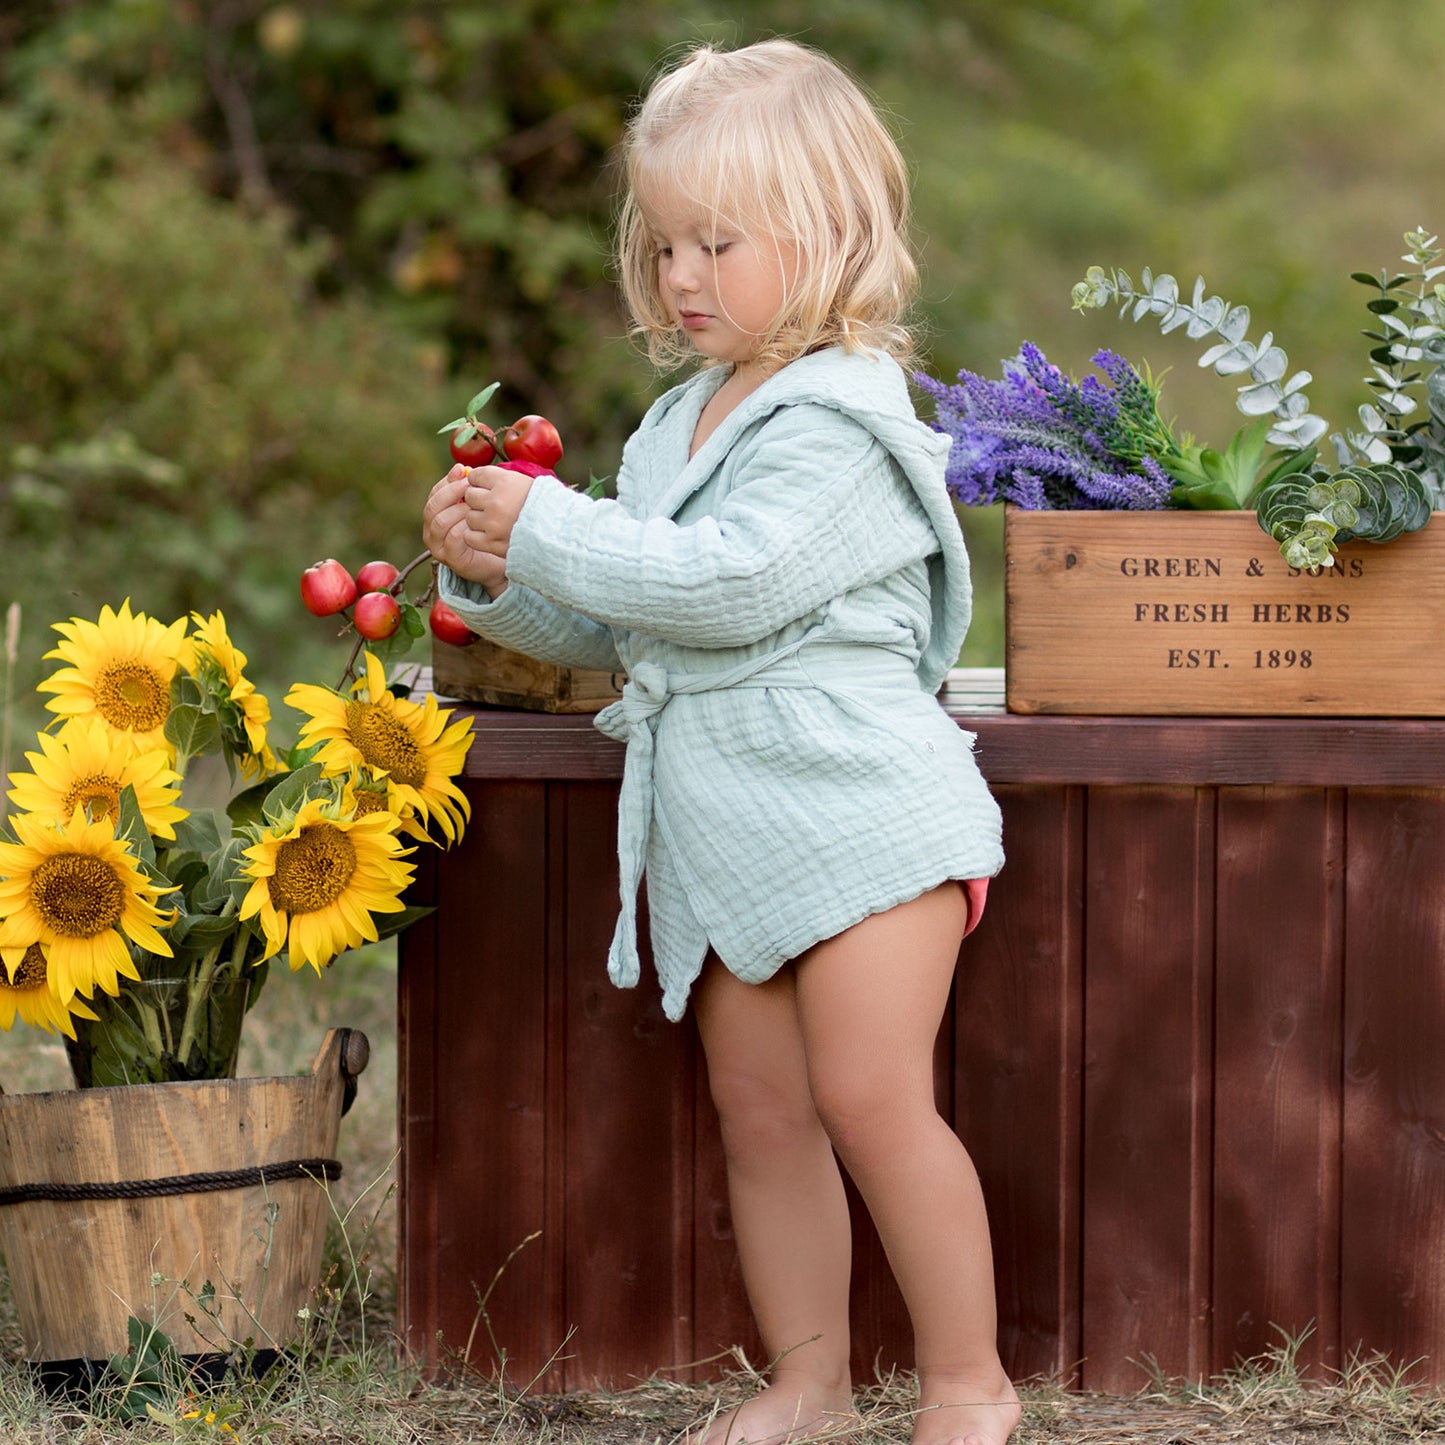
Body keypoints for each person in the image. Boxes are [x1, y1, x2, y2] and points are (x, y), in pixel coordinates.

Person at [422, 38, 1019, 1445]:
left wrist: (553, 524)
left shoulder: (847, 418)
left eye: (718, 242)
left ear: (825, 239)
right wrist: (497, 575)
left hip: (864, 818)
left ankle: (967, 1381)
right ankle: (809, 1382)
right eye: (662, 241)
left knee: (872, 1099)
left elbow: (733, 581)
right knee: (764, 1122)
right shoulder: (675, 425)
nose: (681, 275)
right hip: (725, 828)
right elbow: (633, 626)